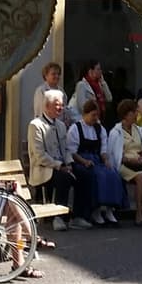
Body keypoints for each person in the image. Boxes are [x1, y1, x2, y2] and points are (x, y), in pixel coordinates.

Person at [27, 91, 91, 230]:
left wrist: (69, 163)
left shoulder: (61, 125)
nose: (60, 108)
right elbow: (39, 155)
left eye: (62, 105)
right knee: (64, 177)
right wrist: (59, 165)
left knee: (84, 174)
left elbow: (67, 149)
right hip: (44, 168)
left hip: (62, 166)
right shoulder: (36, 125)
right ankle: (59, 217)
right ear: (47, 106)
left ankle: (78, 216)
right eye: (56, 105)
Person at [67, 97, 125, 224]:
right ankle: (96, 210)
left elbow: (103, 149)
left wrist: (106, 160)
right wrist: (84, 161)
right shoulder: (76, 129)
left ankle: (110, 209)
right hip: (81, 160)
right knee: (98, 176)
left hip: (96, 160)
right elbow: (72, 152)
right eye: (93, 115)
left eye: (96, 115)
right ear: (85, 114)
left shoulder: (100, 129)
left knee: (112, 174)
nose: (95, 118)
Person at [109, 98, 142, 223]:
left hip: (140, 162)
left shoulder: (138, 130)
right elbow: (115, 155)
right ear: (125, 115)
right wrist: (131, 161)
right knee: (141, 178)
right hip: (125, 163)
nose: (136, 115)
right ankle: (138, 213)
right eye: (133, 112)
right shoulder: (116, 132)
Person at [70, 59, 113, 125]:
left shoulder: (99, 84)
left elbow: (109, 98)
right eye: (98, 69)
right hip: (84, 121)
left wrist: (103, 82)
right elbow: (82, 107)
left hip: (96, 120)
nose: (101, 71)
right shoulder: (82, 85)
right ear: (91, 71)